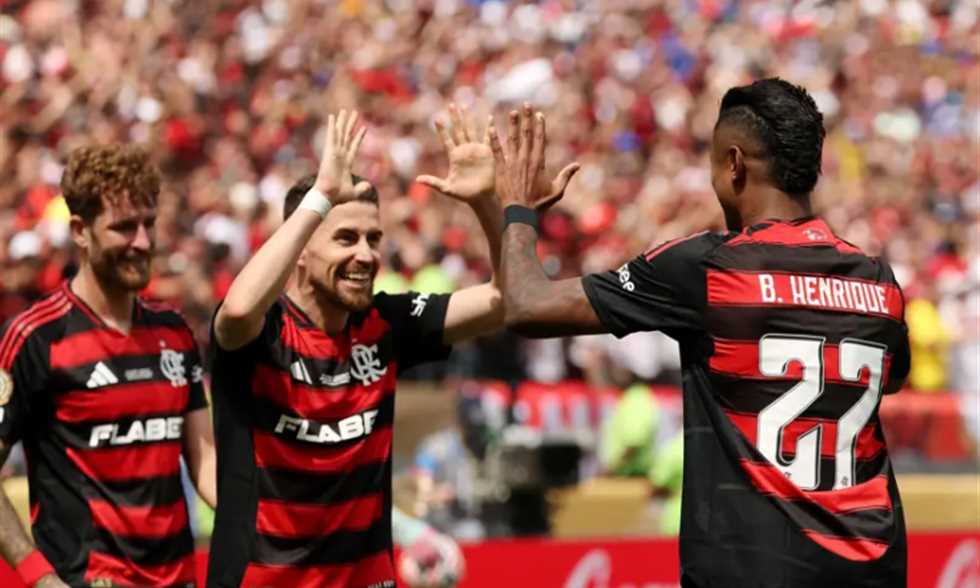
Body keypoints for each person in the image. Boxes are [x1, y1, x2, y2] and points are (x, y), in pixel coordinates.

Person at [495, 81, 912, 587]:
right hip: (874, 566)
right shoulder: (877, 280)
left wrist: (517, 209)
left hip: (756, 569)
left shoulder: (708, 268)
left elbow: (526, 305)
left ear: (734, 163)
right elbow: (890, 379)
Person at [206, 107, 572, 586]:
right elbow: (235, 312)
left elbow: (508, 300)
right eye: (345, 238)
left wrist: (486, 204)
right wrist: (320, 196)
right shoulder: (261, 331)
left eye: (373, 238)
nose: (365, 254)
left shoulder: (386, 323)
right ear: (300, 249)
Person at [0, 145, 216, 587]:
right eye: (123, 227)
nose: (143, 242)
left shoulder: (174, 332)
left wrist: (267, 523)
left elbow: (204, 460)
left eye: (149, 224)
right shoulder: (36, 337)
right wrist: (38, 576)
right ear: (80, 231)